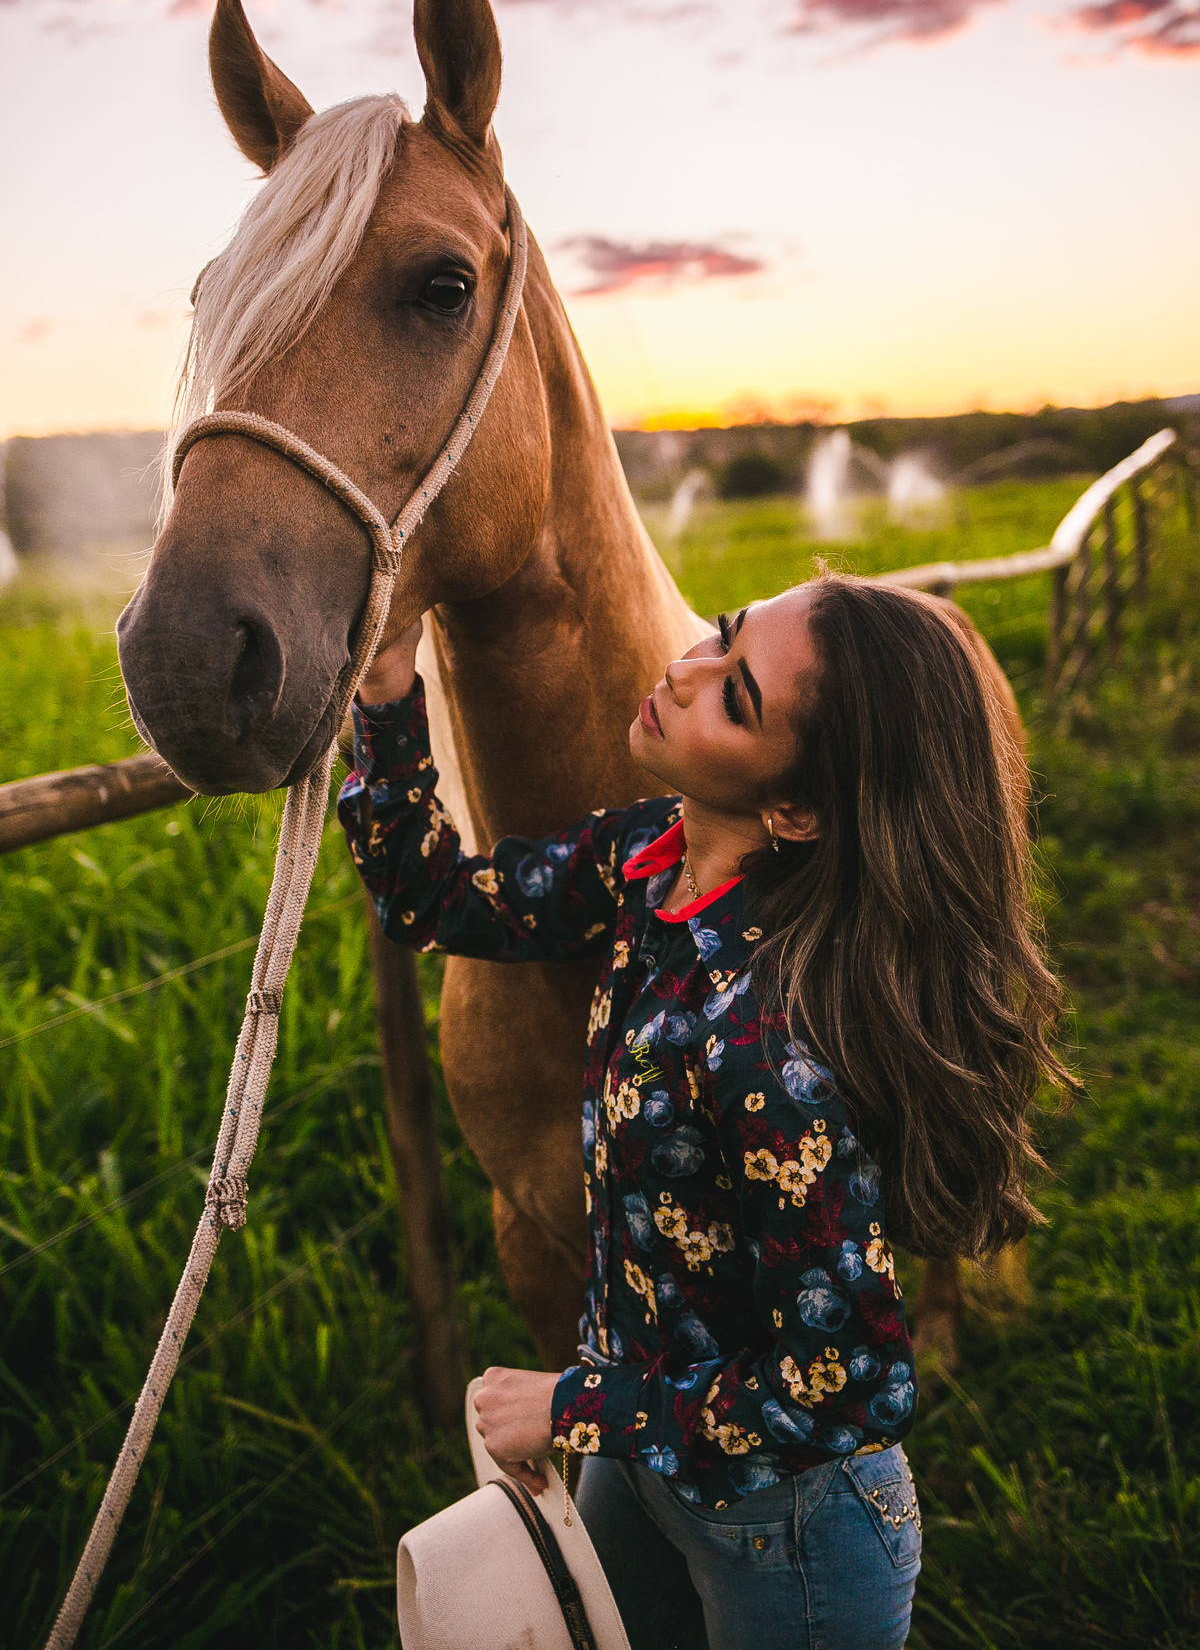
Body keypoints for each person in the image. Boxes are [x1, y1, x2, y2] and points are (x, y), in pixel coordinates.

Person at [337, 573, 1072, 1650]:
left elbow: (842, 1390)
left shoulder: (775, 1044)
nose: (681, 676)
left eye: (735, 697)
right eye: (720, 641)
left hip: (790, 1532)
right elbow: (431, 896)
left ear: (795, 810)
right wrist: (389, 691)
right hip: (645, 1468)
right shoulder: (650, 859)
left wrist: (577, 1407)